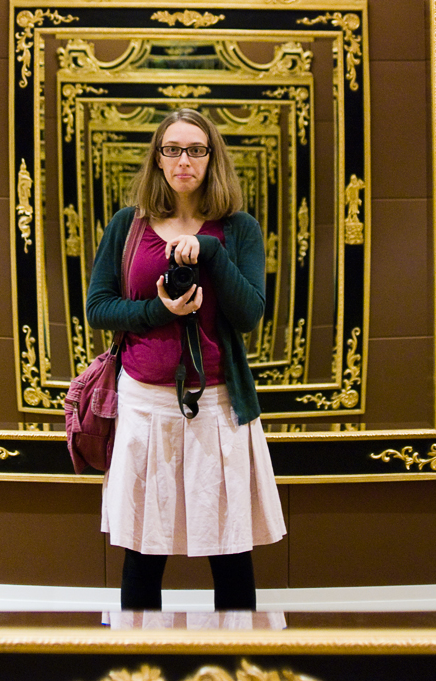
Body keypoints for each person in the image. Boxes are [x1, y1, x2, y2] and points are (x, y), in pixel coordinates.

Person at [86, 108, 286, 612]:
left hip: (218, 405)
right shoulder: (126, 227)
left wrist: (211, 254)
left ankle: (241, 663)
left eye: (196, 150)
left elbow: (248, 315)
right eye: (172, 149)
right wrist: (161, 309)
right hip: (143, 404)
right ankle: (138, 664)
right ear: (157, 158)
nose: (183, 160)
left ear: (211, 158)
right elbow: (98, 307)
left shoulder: (238, 230)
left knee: (231, 549)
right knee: (143, 553)